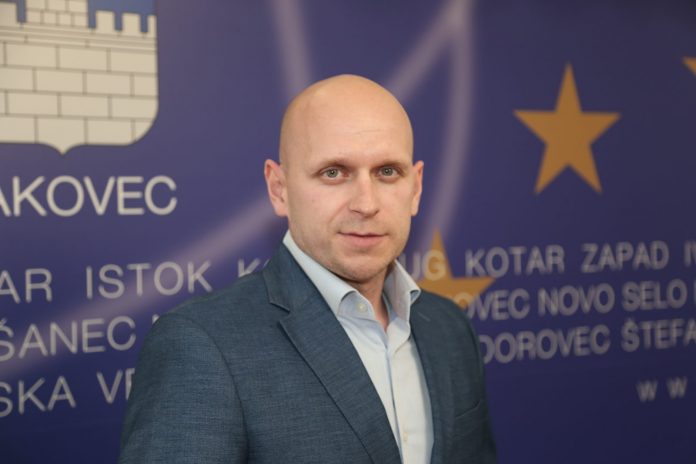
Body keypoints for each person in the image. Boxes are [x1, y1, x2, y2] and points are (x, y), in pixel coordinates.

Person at [118, 74, 497, 463]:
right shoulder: (202, 347)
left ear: (415, 188)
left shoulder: (449, 328)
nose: (366, 204)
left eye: (387, 172)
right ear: (279, 189)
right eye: (333, 172)